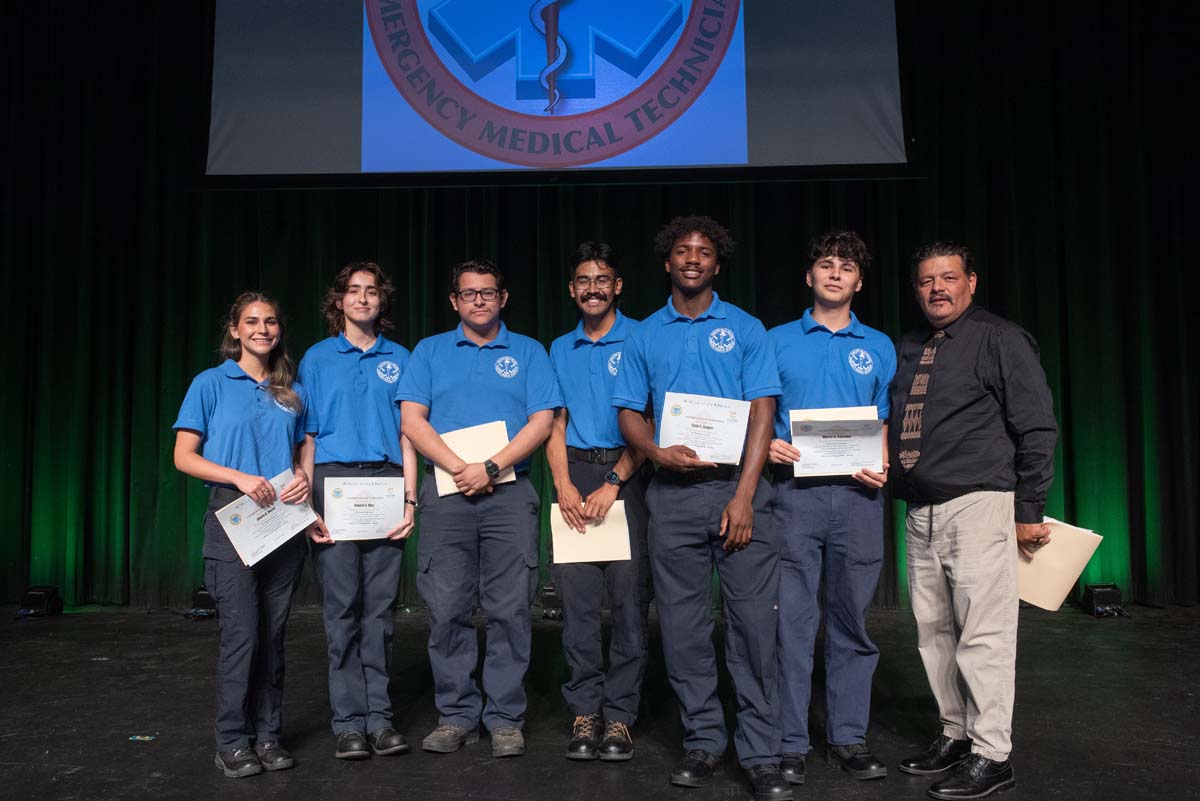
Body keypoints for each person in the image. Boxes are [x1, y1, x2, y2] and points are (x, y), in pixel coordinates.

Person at [613, 216, 791, 801]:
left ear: (718, 263)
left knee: (752, 627)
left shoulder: (745, 327)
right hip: (673, 497)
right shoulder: (643, 334)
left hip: (737, 493)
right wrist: (655, 449)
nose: (693, 258)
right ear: (667, 262)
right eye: (683, 251)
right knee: (685, 629)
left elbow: (763, 410)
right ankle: (704, 742)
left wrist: (744, 494)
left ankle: (761, 753)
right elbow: (628, 413)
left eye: (705, 251)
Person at [889, 242, 1057, 800]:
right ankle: (955, 734)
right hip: (921, 511)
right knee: (933, 634)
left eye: (949, 278)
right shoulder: (909, 345)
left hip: (981, 505)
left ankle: (992, 755)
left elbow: (1036, 426)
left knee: (983, 636)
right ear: (916, 289)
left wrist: (1028, 511)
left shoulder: (1001, 339)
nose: (937, 288)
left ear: (971, 283)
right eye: (926, 281)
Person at [397, 259, 562, 758]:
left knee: (511, 608)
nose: (479, 301)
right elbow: (412, 419)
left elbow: (543, 420)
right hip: (446, 497)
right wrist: (459, 467)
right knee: (447, 608)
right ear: (454, 301)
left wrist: (489, 467)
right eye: (469, 294)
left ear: (503, 298)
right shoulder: (429, 352)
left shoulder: (529, 352)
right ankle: (456, 714)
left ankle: (506, 717)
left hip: (510, 496)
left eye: (488, 292)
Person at [767, 231, 896, 785]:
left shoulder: (881, 345)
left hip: (859, 498)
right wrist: (768, 444)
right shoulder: (775, 341)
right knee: (791, 626)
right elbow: (759, 412)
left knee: (851, 623)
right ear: (810, 276)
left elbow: (883, 419)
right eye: (826, 264)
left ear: (859, 281)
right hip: (792, 497)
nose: (836, 273)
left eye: (847, 267)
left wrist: (883, 461)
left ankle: (848, 737)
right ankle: (789, 741)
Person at [172, 292, 310, 778]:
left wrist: (302, 476)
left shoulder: (289, 389)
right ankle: (232, 740)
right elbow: (183, 456)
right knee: (242, 635)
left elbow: (299, 451)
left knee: (273, 635)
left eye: (271, 322)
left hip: (282, 524)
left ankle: (268, 734)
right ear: (235, 330)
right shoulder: (209, 383)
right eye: (251, 322)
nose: (262, 329)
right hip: (233, 517)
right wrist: (237, 477)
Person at [299, 262, 416, 761]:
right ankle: (348, 722)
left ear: (381, 301)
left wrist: (411, 498)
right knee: (342, 609)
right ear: (339, 301)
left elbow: (411, 433)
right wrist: (306, 503)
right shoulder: (318, 358)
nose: (363, 299)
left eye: (372, 292)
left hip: (388, 483)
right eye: (353, 291)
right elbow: (306, 435)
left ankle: (380, 719)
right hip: (334, 483)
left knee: (380, 611)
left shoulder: (403, 357)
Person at [546, 242, 650, 762]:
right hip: (574, 473)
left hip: (628, 476)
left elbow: (649, 424)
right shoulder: (559, 348)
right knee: (578, 607)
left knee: (630, 606)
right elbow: (554, 422)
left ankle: (621, 717)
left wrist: (613, 482)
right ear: (572, 289)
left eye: (602, 279)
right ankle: (584, 711)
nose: (593, 288)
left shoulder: (642, 339)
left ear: (618, 286)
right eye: (584, 280)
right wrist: (563, 484)